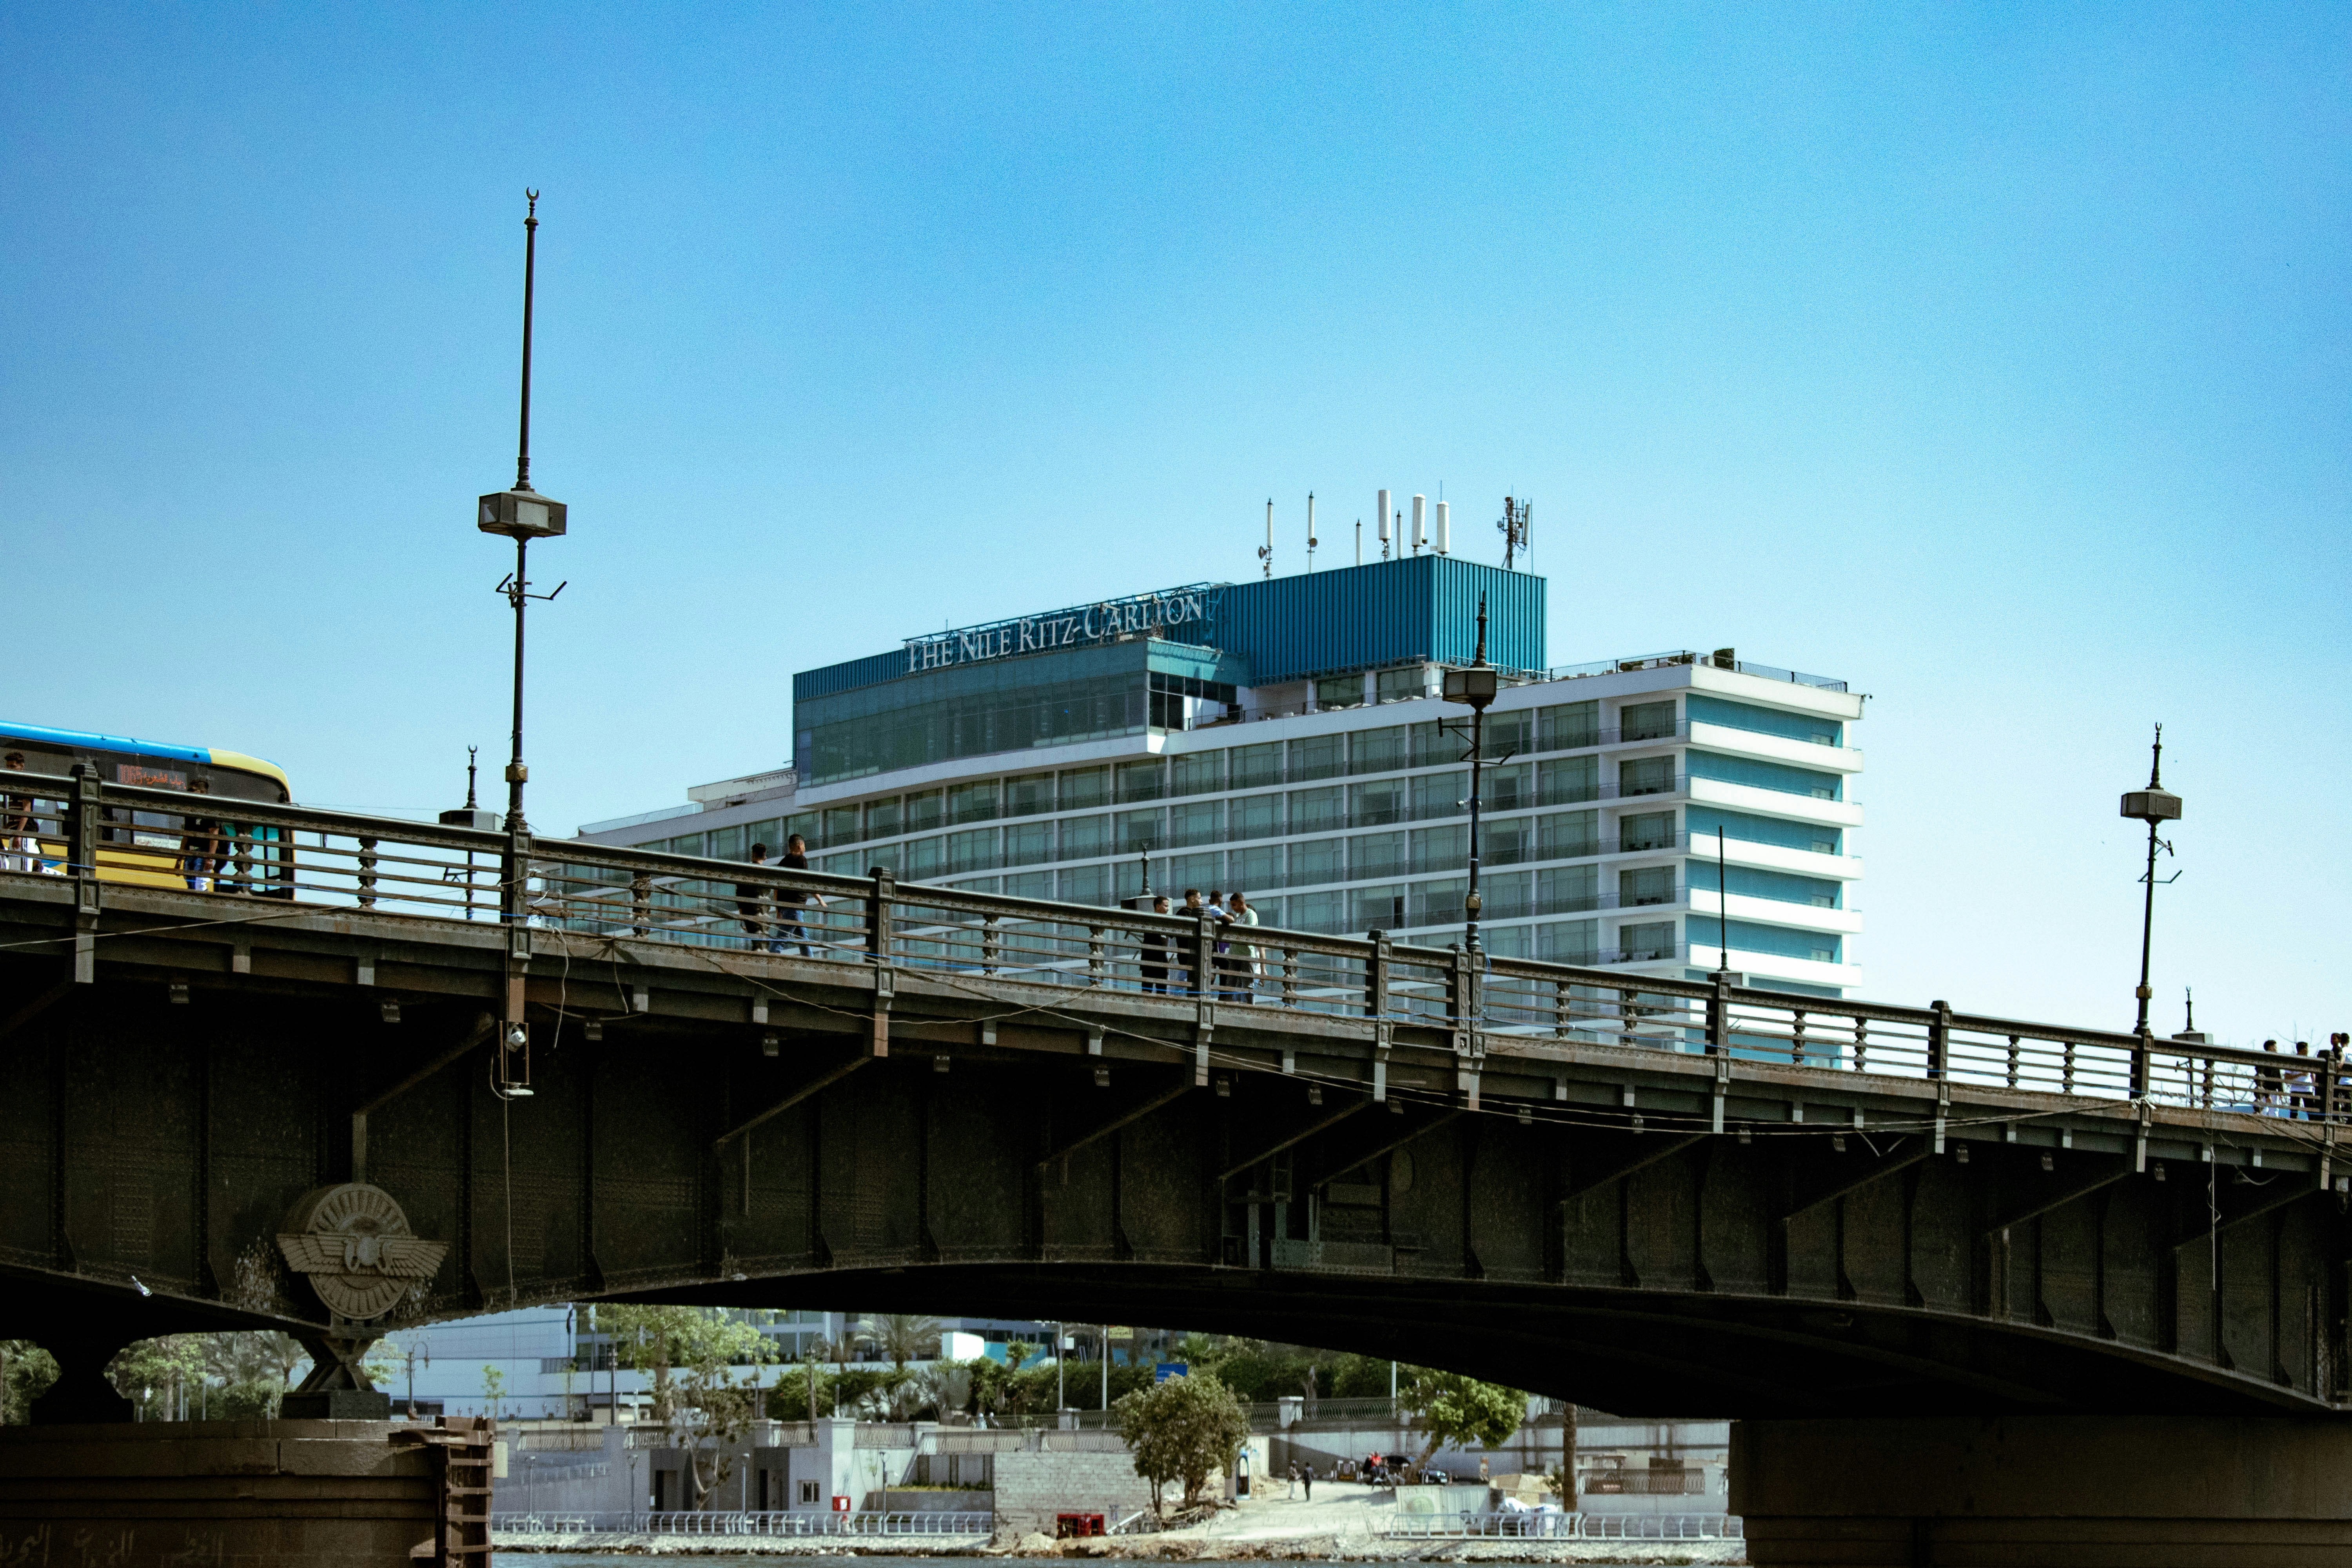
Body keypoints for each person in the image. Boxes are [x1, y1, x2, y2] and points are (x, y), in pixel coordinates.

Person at [775, 834, 822, 957]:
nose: (805, 849)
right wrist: (820, 900)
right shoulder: (801, 860)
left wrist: (778, 911)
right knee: (781, 939)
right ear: (799, 845)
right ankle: (769, 960)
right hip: (795, 908)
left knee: (803, 939)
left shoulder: (782, 863)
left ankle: (810, 961)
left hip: (786, 908)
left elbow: (776, 888)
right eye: (804, 846)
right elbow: (806, 883)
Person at [178, 777, 223, 892]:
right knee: (191, 885)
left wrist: (210, 859)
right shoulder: (191, 811)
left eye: (194, 791)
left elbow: (214, 835)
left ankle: (205, 907)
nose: (191, 794)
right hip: (190, 852)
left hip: (204, 853)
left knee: (200, 885)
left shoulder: (210, 810)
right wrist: (180, 857)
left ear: (202, 792)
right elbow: (186, 835)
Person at [736, 843, 781, 953]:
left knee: (756, 942)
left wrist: (742, 915)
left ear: (753, 855)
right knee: (762, 942)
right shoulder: (767, 873)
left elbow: (739, 894)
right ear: (765, 858)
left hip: (749, 911)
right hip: (764, 913)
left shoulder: (746, 872)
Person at [1223, 891, 1261, 1001]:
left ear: (1242, 903)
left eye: (1234, 905)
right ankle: (1228, 1006)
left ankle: (1250, 1007)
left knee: (1248, 984)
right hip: (1234, 954)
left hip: (1246, 955)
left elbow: (1249, 933)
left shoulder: (1251, 915)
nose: (1233, 908)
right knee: (1230, 983)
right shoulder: (1239, 917)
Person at [2, 752, 35, 874]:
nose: (10, 769)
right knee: (15, 870)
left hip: (22, 835)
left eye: (13, 766)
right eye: (8, 766)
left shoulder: (24, 785)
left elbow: (27, 810)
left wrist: (19, 834)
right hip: (15, 834)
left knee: (21, 872)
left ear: (22, 766)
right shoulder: (14, 786)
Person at [1138, 893, 1173, 993]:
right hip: (1150, 962)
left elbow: (1174, 934)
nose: (1168, 909)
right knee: (1147, 992)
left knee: (1162, 992)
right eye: (1166, 906)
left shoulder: (1166, 922)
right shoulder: (1151, 919)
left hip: (1162, 962)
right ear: (1158, 907)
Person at [2291, 1042, 2317, 1120]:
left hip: (2307, 1088)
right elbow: (2287, 1077)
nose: (2308, 1051)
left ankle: (2313, 1126)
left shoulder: (2310, 1060)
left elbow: (2313, 1074)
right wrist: (2300, 1075)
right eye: (2307, 1049)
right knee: (2294, 1113)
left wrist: (2315, 1085)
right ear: (2303, 1049)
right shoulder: (2293, 1060)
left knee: (2311, 1111)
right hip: (2296, 1089)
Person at [2256, 1040, 2283, 1115]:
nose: (2277, 1049)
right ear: (2271, 1047)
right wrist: (2267, 1095)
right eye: (2275, 1047)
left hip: (2275, 1090)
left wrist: (2281, 1091)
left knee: (2274, 1113)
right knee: (2264, 1112)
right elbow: (2262, 1078)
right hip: (2265, 1090)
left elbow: (2279, 1076)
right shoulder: (2264, 1060)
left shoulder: (2276, 1060)